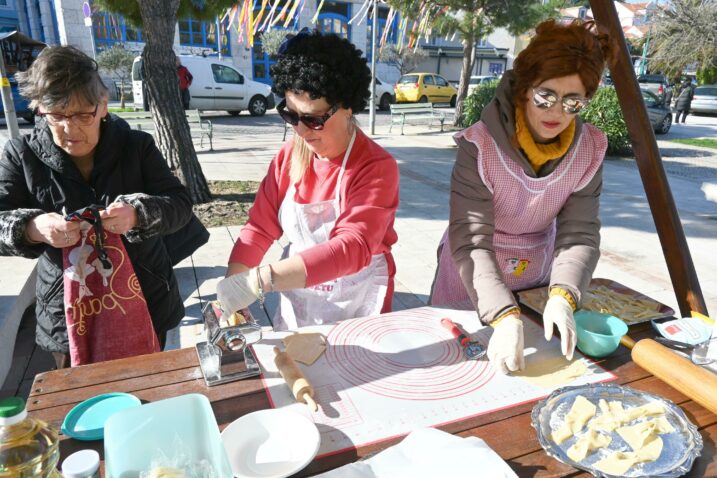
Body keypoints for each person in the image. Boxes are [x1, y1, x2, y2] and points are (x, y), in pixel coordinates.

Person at [430, 19, 613, 374]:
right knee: (459, 369)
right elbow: (471, 239)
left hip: (536, 274)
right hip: (471, 275)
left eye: (573, 102)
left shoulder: (589, 149)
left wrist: (563, 294)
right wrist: (501, 314)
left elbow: (579, 233)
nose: (556, 112)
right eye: (546, 96)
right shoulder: (480, 145)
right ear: (526, 87)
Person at [0, 46, 193, 368]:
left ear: (103, 105)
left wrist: (137, 213)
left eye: (82, 115)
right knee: (84, 401)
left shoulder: (136, 146)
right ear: (38, 109)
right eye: (57, 115)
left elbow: (180, 205)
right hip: (65, 311)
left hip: (146, 297)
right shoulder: (21, 154)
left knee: (152, 390)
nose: (69, 128)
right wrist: (33, 229)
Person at [217, 29, 399, 330]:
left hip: (357, 302)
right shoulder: (289, 157)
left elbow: (352, 246)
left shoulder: (376, 167)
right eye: (291, 115)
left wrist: (261, 280)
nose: (301, 131)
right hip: (300, 297)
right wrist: (234, 286)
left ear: (348, 106)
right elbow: (260, 229)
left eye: (314, 119)